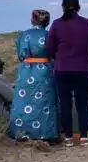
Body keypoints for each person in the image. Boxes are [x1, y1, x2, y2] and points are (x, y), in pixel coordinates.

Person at [46, 0, 88, 146]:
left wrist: (58, 58)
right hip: (82, 68)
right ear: (79, 7)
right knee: (82, 103)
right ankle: (83, 137)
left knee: (65, 104)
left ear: (62, 7)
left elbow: (50, 48)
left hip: (62, 69)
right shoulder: (87, 23)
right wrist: (87, 56)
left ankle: (68, 138)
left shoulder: (56, 25)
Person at [11, 9, 59, 142]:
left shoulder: (24, 35)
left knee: (24, 100)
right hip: (45, 71)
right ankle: (45, 133)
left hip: (25, 71)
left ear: (32, 20)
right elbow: (55, 54)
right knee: (45, 101)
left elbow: (20, 53)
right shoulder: (49, 35)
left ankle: (20, 131)